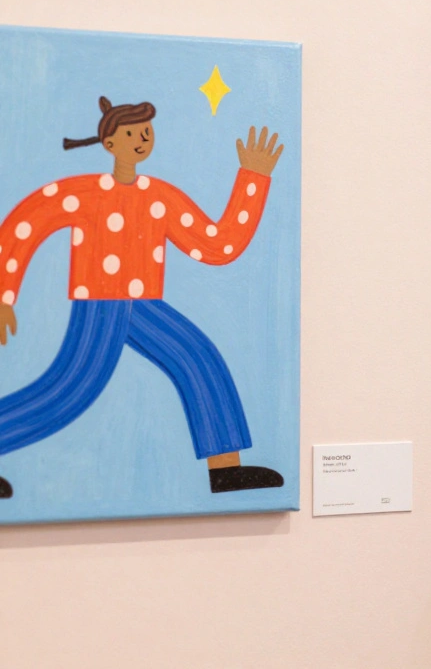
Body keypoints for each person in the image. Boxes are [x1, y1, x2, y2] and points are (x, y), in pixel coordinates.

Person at [0, 96, 286, 499]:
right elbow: (26, 222)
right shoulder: (85, 193)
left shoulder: (160, 198)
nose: (140, 140)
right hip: (100, 306)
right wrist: (4, 294)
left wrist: (252, 180)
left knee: (199, 359)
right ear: (109, 144)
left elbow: (218, 245)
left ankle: (225, 471)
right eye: (130, 134)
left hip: (143, 305)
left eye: (145, 133)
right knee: (67, 391)